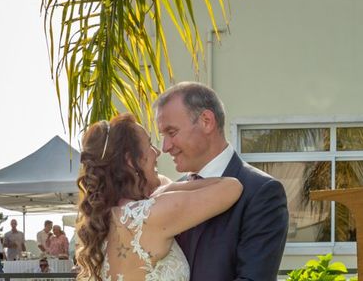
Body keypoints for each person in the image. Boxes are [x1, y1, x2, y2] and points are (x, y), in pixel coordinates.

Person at [76, 113, 243, 281]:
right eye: (149, 144)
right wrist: (170, 187)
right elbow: (232, 187)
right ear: (130, 161)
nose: (157, 152)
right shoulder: (151, 214)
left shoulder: (106, 218)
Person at [155, 82, 289, 280]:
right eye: (162, 136)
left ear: (207, 121)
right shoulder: (172, 192)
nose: (165, 147)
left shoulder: (261, 192)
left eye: (172, 132)